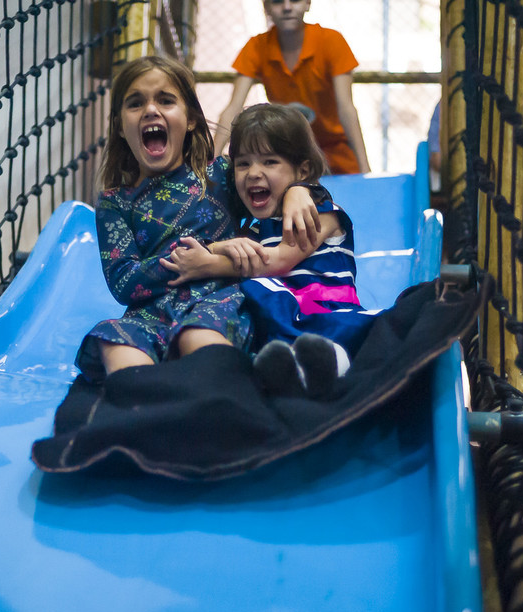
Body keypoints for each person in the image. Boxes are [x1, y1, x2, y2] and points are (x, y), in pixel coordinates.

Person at [79, 55, 323, 379]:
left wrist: (299, 191)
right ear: (120, 127)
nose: (151, 110)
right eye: (136, 104)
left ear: (191, 118)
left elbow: (271, 193)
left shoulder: (220, 175)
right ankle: (140, 404)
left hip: (221, 300)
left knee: (198, 334)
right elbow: (124, 282)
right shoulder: (115, 203)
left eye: (165, 101)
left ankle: (211, 394)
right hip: (150, 313)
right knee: (113, 340)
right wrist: (210, 250)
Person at [163, 104, 378, 398]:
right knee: (264, 328)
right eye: (243, 163)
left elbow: (277, 261)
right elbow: (235, 254)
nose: (254, 173)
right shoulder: (252, 230)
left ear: (301, 170)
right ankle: (285, 378)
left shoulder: (320, 214)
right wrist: (210, 249)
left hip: (327, 313)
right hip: (282, 319)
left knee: (316, 337)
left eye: (269, 162)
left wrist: (207, 265)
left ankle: (327, 370)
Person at [213, 0, 370, 175]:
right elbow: (233, 108)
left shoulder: (331, 41)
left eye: (295, 0)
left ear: (308, 4)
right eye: (277, 2)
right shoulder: (257, 46)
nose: (287, 8)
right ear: (267, 8)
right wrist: (210, 162)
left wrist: (365, 170)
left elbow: (346, 109)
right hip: (287, 152)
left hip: (335, 150)